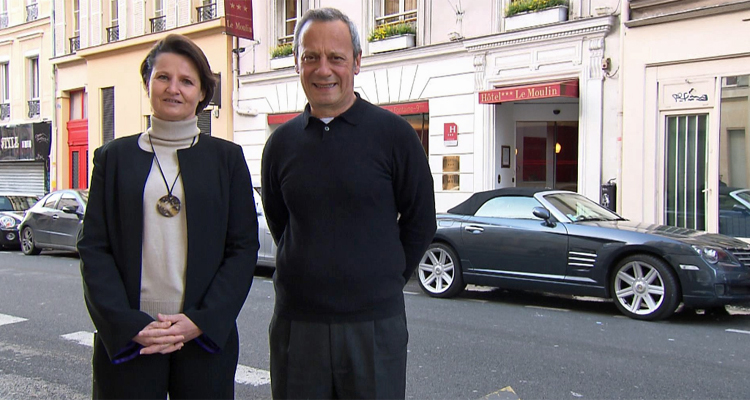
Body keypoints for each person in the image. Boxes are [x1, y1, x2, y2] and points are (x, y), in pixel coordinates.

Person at [261, 7, 437, 399]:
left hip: (374, 327)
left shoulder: (395, 135)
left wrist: (385, 278)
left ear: (356, 62)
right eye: (311, 57)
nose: (323, 69)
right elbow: (281, 222)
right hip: (297, 325)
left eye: (336, 57)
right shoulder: (280, 144)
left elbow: (421, 220)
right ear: (297, 63)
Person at [78, 33, 259, 399]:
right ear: (148, 83)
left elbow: (242, 248)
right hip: (132, 338)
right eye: (163, 77)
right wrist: (128, 324)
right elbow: (94, 248)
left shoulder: (227, 159)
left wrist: (201, 321)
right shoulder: (112, 158)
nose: (173, 88)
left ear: (202, 93)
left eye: (186, 80)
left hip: (202, 336)